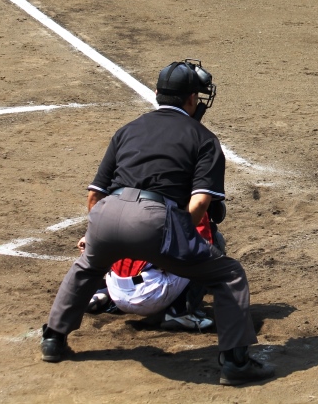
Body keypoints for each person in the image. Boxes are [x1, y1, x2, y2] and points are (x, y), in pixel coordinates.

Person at [40, 60, 275, 386]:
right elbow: (200, 203)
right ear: (192, 99)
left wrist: (92, 232)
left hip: (106, 214)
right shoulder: (203, 138)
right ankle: (235, 361)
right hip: (153, 221)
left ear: (156, 93)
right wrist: (178, 238)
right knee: (228, 273)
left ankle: (53, 338)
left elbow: (95, 194)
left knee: (87, 267)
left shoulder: (127, 130)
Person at [85, 211, 223, 331]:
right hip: (148, 295)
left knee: (127, 252)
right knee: (207, 248)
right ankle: (179, 312)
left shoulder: (125, 198)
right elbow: (202, 251)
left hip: (115, 288)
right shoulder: (190, 203)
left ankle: (104, 293)